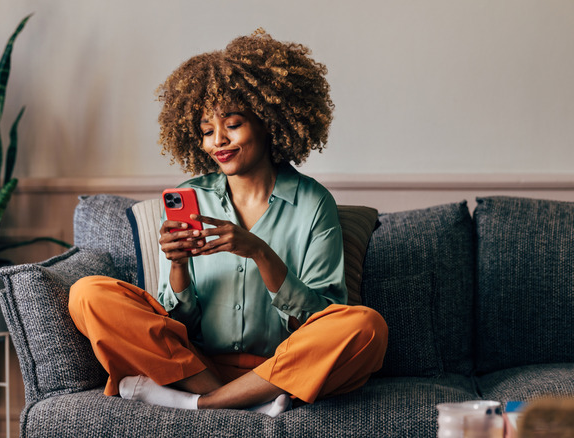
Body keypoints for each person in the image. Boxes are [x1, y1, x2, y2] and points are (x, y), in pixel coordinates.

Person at [68, 29, 388, 417]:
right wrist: (178, 265)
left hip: (281, 367)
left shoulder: (312, 203)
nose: (217, 141)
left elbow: (322, 318)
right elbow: (174, 324)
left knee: (366, 327)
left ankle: (205, 404)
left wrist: (258, 251)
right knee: (87, 293)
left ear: (268, 122)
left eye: (232, 125)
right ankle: (243, 403)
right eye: (206, 131)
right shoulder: (192, 198)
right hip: (197, 365)